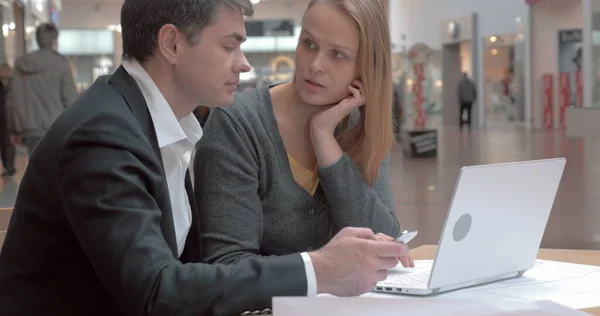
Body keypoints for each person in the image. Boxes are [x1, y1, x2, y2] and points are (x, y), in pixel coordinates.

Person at [0, 0, 409, 315]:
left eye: (338, 54)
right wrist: (317, 269)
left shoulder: (155, 123)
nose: (245, 64)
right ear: (172, 43)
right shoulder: (103, 135)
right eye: (230, 45)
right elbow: (156, 292)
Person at [194, 0, 413, 269]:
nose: (315, 65)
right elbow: (227, 264)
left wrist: (324, 139)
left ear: (364, 67)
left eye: (338, 54)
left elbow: (385, 238)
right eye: (309, 43)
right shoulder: (238, 123)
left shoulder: (359, 125)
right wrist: (322, 268)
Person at [6, 23, 77, 154]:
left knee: (35, 166)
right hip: (55, 127)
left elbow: (12, 100)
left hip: (28, 128)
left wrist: (13, 128)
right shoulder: (61, 64)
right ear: (54, 40)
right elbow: (70, 99)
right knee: (54, 168)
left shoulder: (21, 64)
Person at [0, 63, 15, 176]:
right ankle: (7, 166)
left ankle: (9, 166)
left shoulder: (13, 85)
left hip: (10, 118)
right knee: (3, 144)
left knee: (9, 143)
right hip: (1, 118)